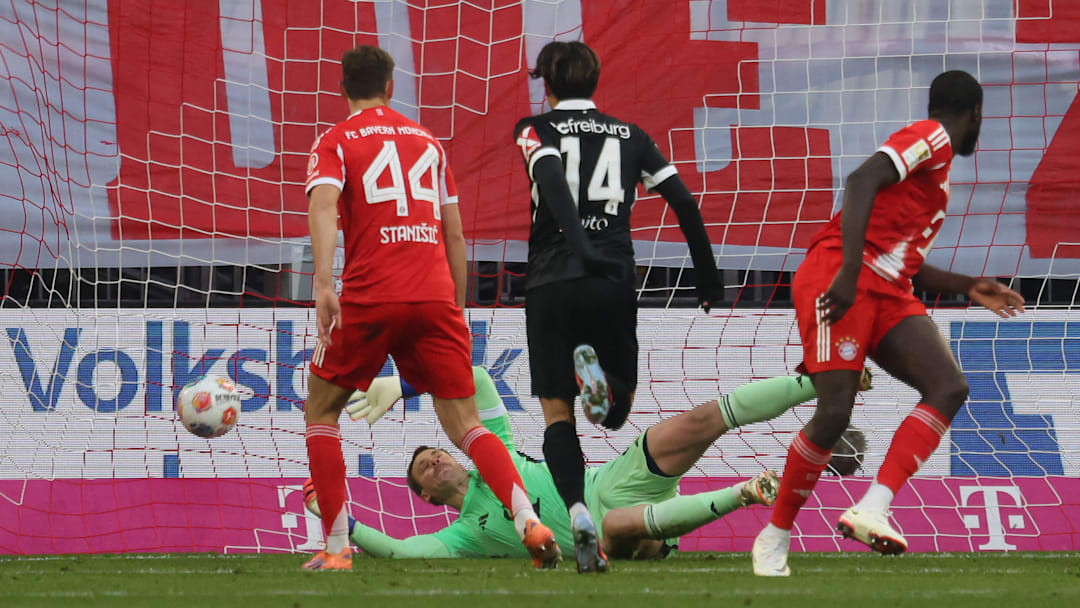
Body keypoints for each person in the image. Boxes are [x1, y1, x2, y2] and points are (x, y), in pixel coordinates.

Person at [751, 70, 1026, 577]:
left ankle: (873, 506)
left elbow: (905, 261)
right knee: (834, 413)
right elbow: (860, 179)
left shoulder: (936, 176)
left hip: (888, 289)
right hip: (839, 272)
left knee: (948, 386)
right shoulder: (934, 136)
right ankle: (775, 535)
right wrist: (850, 272)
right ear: (976, 115)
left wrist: (967, 284)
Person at [301, 45, 559, 571]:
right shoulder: (428, 142)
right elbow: (455, 232)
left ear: (343, 88)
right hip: (435, 294)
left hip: (372, 293)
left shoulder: (334, 140)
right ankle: (528, 520)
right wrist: (456, 306)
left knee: (321, 412)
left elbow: (324, 205)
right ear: (392, 87)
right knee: (467, 424)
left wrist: (324, 282)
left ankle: (335, 549)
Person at [513, 40, 723, 572]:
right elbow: (684, 201)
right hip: (612, 280)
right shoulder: (631, 135)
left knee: (557, 412)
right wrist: (706, 275)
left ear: (548, 84)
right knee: (615, 415)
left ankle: (579, 512)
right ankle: (599, 388)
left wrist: (578, 244)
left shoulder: (533, 128)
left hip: (551, 282)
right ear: (596, 82)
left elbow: (552, 178)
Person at [303, 366, 871, 560]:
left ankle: (817, 383)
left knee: (695, 422)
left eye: (435, 452)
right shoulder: (461, 537)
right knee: (614, 528)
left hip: (608, 481)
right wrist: (335, 521)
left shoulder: (493, 452)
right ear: (426, 498)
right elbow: (401, 550)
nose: (436, 462)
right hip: (603, 532)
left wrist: (403, 386)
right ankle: (747, 492)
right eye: (425, 469)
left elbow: (473, 380)